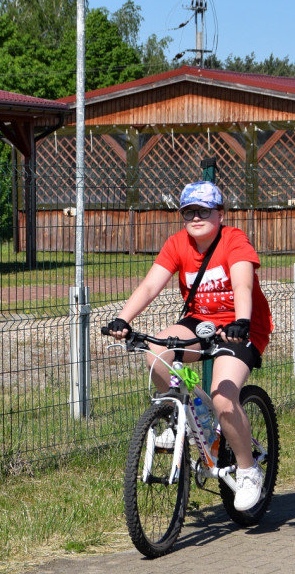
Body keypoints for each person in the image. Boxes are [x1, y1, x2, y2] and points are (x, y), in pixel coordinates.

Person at [104, 180, 274, 511]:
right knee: (157, 354)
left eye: (203, 211)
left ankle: (248, 469)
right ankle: (179, 417)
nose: (195, 218)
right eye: (188, 212)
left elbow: (242, 282)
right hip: (200, 321)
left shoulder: (234, 240)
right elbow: (151, 285)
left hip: (243, 325)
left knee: (224, 398)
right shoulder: (177, 244)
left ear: (220, 213)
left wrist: (240, 321)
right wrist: (123, 319)